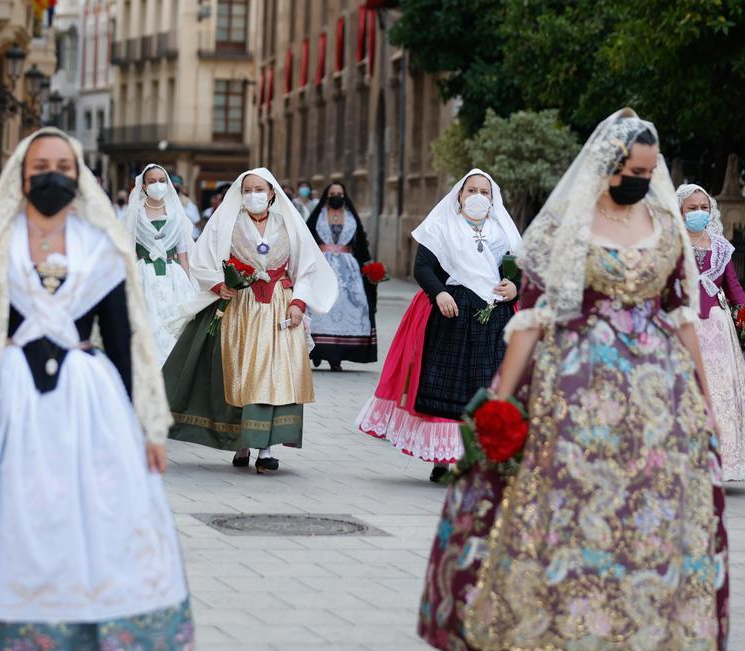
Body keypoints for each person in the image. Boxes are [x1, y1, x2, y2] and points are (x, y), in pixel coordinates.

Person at [418, 109, 729, 651]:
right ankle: (554, 616)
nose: (644, 176)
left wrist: (705, 405)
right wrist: (500, 401)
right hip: (577, 384)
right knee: (568, 499)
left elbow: (682, 316)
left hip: (659, 395)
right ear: (610, 167)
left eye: (651, 168)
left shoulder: (665, 225)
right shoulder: (572, 226)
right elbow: (535, 315)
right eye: (635, 168)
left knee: (650, 504)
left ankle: (646, 620)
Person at [0, 128, 192, 651]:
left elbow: (125, 345)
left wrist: (146, 427)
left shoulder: (103, 247)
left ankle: (83, 641)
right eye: (41, 165)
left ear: (78, 175)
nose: (52, 174)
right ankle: (2, 643)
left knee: (89, 524)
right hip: (6, 398)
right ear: (22, 174)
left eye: (63, 164)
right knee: (2, 516)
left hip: (87, 403)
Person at [163, 168, 337, 473]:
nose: (253, 195)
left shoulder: (289, 224)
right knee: (242, 374)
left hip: (278, 308)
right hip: (241, 307)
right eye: (247, 189)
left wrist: (298, 303)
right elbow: (201, 258)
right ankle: (242, 441)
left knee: (272, 374)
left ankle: (265, 449)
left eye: (259, 189)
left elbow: (305, 268)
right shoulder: (227, 222)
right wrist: (219, 284)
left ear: (272, 193)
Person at [359, 169, 521, 482]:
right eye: (470, 190)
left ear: (493, 198)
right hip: (452, 313)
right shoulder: (442, 226)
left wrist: (514, 287)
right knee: (447, 384)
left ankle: (478, 455)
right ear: (459, 196)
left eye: (484, 192)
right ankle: (443, 458)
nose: (477, 197)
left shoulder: (503, 232)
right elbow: (423, 268)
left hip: (493, 315)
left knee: (487, 385)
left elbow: (519, 273)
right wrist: (440, 293)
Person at [679, 182, 745, 482]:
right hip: (683, 328)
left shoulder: (720, 247)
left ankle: (720, 461)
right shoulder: (671, 245)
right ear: (680, 211)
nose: (698, 212)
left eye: (703, 208)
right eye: (692, 208)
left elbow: (733, 287)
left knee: (719, 391)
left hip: (716, 328)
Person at [122, 163, 199, 362]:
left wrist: (191, 283)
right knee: (147, 325)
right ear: (144, 186)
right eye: (152, 181)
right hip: (144, 274)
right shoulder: (135, 213)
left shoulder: (176, 213)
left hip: (174, 275)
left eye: (162, 181)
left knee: (176, 325)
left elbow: (183, 252)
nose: (158, 185)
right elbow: (128, 250)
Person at [306, 181, 378, 370]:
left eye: (339, 193)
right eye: (332, 193)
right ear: (326, 196)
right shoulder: (317, 217)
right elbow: (306, 240)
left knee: (348, 307)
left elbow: (361, 245)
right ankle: (318, 350)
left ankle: (336, 356)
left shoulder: (352, 218)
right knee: (320, 308)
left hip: (348, 270)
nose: (336, 196)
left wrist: (370, 268)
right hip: (322, 267)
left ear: (344, 195)